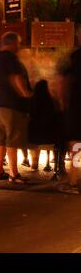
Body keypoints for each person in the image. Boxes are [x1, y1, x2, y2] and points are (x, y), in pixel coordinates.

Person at [0, 32, 32, 183]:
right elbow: (16, 78)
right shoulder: (11, 57)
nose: (19, 47)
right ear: (13, 43)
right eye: (18, 43)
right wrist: (25, 93)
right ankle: (14, 174)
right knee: (12, 139)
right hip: (11, 105)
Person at [57, 24, 81, 194]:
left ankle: (74, 182)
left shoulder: (75, 57)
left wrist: (63, 102)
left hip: (78, 106)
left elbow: (64, 82)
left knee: (77, 145)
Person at [28, 79, 60, 170]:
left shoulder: (32, 100)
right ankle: (55, 164)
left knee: (33, 134)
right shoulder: (52, 101)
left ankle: (35, 161)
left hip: (34, 137)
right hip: (49, 137)